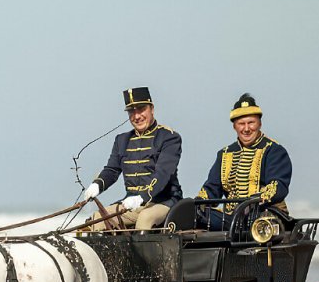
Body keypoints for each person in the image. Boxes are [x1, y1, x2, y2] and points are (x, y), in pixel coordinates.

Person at [81, 87, 183, 230]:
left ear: (151, 109)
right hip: (130, 202)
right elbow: (112, 169)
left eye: (141, 109)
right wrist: (97, 184)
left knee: (145, 219)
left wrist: (142, 197)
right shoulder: (122, 140)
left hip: (164, 202)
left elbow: (163, 173)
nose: (137, 116)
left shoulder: (169, 137)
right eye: (131, 111)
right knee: (96, 220)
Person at [195, 93, 292, 229]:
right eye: (241, 124)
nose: (246, 129)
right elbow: (211, 189)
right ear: (234, 126)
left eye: (251, 123)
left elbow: (278, 186)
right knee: (194, 215)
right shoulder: (225, 153)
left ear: (259, 123)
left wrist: (251, 203)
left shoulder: (274, 150)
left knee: (261, 223)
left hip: (264, 215)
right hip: (231, 218)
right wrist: (198, 204)